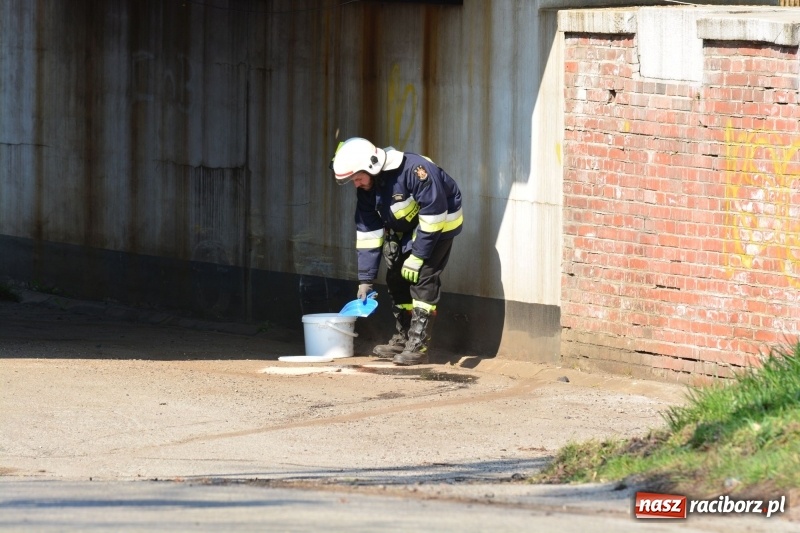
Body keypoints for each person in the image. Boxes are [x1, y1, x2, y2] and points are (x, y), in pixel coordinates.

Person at [330, 137, 463, 366]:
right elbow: (368, 233)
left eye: (357, 178)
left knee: (422, 277)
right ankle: (404, 338)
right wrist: (365, 279)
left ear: (371, 167)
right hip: (409, 228)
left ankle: (419, 346)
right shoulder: (368, 187)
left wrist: (418, 255)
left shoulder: (415, 169)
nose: (356, 184)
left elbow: (434, 215)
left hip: (439, 225)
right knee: (396, 277)